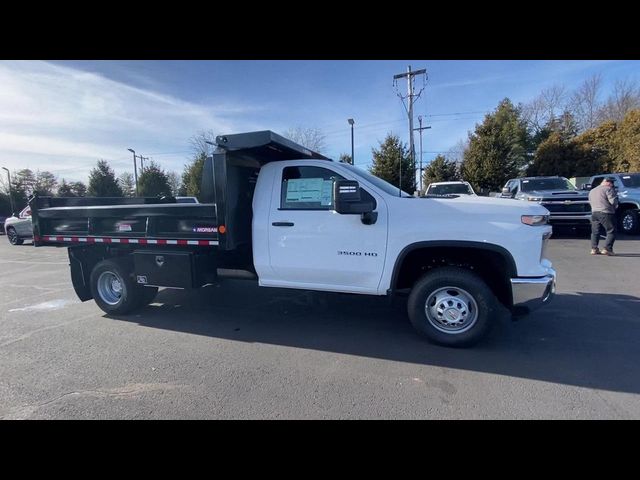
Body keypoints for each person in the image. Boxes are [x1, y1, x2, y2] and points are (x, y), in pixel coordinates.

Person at [588, 177, 619, 256]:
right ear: (608, 182)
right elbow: (613, 201)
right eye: (612, 183)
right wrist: (616, 205)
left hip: (594, 212)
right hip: (606, 212)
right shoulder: (608, 189)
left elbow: (590, 201)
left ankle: (594, 249)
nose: (612, 185)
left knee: (595, 231)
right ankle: (607, 249)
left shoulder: (592, 191)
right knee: (611, 230)